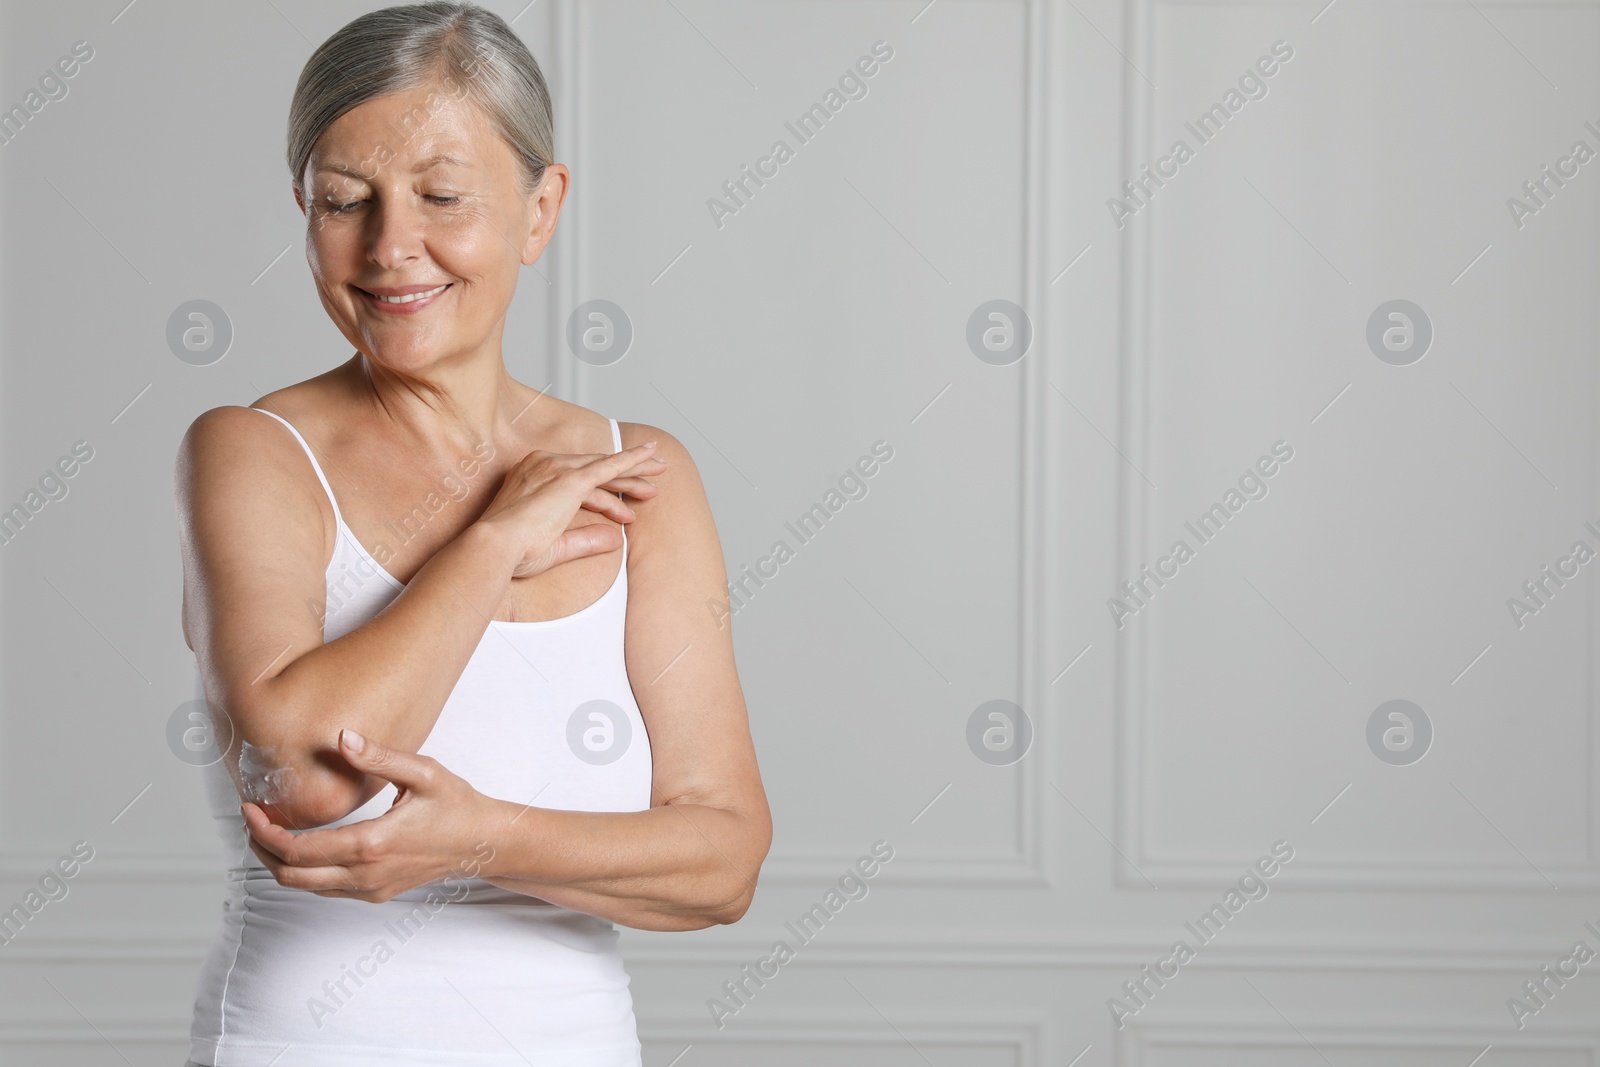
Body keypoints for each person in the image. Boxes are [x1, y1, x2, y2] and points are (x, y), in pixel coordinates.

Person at [170, 3, 771, 1063]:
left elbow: (721, 862)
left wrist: (482, 835)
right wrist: (490, 546)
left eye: (441, 195)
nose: (391, 246)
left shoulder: (640, 476)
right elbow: (299, 775)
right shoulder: (251, 451)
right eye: (344, 200)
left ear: (541, 209)